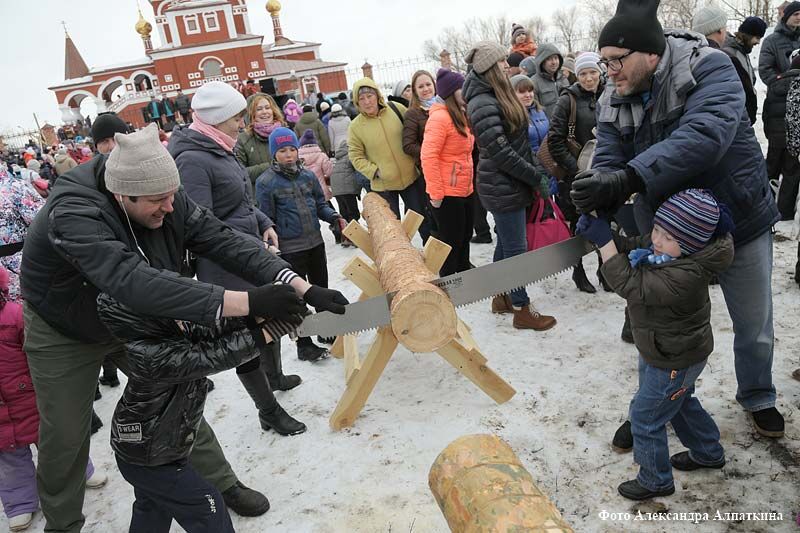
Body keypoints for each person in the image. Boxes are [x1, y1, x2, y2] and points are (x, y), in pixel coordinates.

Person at [20, 124, 349, 531]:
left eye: (172, 196)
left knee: (181, 398)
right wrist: (248, 302)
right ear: (123, 194)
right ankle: (63, 524)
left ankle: (221, 483)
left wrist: (300, 286)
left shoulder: (164, 194)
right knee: (66, 433)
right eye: (158, 201)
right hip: (66, 329)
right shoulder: (73, 211)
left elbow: (225, 240)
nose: (170, 207)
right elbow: (131, 279)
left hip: (135, 316)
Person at [572, 0, 783, 440]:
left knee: (753, 324)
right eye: (605, 61)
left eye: (617, 60)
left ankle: (758, 393)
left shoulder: (711, 67)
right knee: (659, 328)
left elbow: (704, 136)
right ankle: (654, 406)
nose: (609, 71)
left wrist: (629, 177)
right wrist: (598, 188)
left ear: (651, 54)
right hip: (667, 231)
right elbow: (609, 151)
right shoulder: (615, 93)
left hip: (737, 217)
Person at [577, 189, 734, 501]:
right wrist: (606, 234)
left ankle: (655, 479)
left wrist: (605, 245)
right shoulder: (671, 252)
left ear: (690, 244)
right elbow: (635, 245)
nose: (657, 241)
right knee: (680, 403)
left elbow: (632, 285)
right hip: (664, 349)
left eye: (667, 237)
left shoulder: (686, 274)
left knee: (646, 417)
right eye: (657, 230)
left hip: (674, 359)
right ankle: (708, 452)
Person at [170, 80, 306, 435]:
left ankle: (275, 376)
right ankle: (268, 410)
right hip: (223, 263)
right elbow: (201, 224)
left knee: (268, 318)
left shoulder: (220, 146)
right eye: (235, 117)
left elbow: (241, 201)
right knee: (245, 337)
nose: (241, 124)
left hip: (246, 250)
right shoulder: (193, 160)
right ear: (216, 118)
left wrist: (262, 222)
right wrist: (248, 240)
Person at [97, 295, 296, 533]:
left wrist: (255, 316)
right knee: (207, 506)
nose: (181, 318)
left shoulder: (165, 334)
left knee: (153, 507)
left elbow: (209, 330)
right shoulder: (152, 355)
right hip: (151, 456)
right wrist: (269, 332)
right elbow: (215, 355)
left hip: (147, 449)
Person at [0, 267, 108, 533]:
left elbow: (41, 350)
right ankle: (20, 503)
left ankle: (82, 471)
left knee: (59, 443)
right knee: (10, 460)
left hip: (32, 398)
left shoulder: (15, 315)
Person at [462, 41, 556, 331]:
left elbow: (517, 144)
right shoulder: (482, 102)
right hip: (502, 186)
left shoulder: (494, 94)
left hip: (511, 182)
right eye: (501, 62)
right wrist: (534, 177)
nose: (506, 65)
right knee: (516, 249)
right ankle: (521, 308)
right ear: (489, 68)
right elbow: (502, 153)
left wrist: (535, 171)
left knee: (505, 244)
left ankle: (501, 296)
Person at [256, 128, 348, 356]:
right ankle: (304, 344)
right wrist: (272, 246)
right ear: (274, 153)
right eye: (282, 151)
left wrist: (334, 217)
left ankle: (326, 330)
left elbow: (320, 205)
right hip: (290, 249)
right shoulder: (266, 182)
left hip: (315, 243)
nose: (288, 155)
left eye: (291, 149)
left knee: (320, 289)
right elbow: (266, 219)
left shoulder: (308, 176)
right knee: (297, 297)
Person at [548, 52, 608, 294]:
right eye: (583, 73)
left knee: (605, 219)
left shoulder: (609, 94)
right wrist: (576, 169)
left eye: (593, 72)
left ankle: (605, 269)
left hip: (604, 171)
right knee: (576, 223)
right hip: (575, 175)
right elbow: (555, 140)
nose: (588, 78)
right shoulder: (568, 100)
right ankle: (578, 270)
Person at [348, 78, 431, 243]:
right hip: (384, 186)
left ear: (377, 95)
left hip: (411, 179)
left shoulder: (396, 109)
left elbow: (415, 132)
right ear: (357, 102)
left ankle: (432, 254)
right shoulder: (355, 127)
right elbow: (355, 156)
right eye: (361, 99)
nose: (367, 101)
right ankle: (401, 257)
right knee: (393, 230)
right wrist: (375, 171)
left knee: (423, 221)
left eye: (369, 96)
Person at [421, 69, 474, 276]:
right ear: (452, 92)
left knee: (465, 237)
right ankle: (451, 281)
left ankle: (464, 276)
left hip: (465, 188)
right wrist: (436, 194)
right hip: (447, 192)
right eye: (462, 88)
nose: (466, 91)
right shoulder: (439, 118)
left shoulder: (460, 114)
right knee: (452, 242)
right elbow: (429, 156)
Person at [760, 1, 800, 220]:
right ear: (786, 16)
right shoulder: (771, 41)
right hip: (777, 110)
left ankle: (785, 213)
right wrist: (791, 81)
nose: (799, 17)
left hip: (798, 113)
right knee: (774, 161)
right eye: (796, 13)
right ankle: (763, 208)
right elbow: (766, 73)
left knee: (794, 164)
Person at [402, 70, 438, 237]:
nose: (426, 89)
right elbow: (408, 145)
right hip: (430, 171)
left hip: (451, 168)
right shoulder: (413, 113)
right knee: (438, 218)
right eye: (421, 86)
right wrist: (431, 152)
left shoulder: (444, 105)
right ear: (415, 91)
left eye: (428, 84)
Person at [235, 92, 286, 192]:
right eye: (259, 109)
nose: (264, 112)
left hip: (287, 194)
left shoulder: (285, 133)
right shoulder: (243, 139)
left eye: (267, 108)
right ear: (251, 113)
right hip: (260, 196)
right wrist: (271, 166)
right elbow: (239, 173)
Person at [723, 17, 767, 126]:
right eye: (757, 38)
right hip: (736, 116)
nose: (758, 42)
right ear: (747, 35)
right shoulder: (730, 53)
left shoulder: (743, 52)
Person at [330, 141, 361, 247]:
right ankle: (356, 237)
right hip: (347, 189)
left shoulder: (337, 159)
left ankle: (345, 238)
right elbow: (358, 171)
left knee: (344, 214)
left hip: (337, 190)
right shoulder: (350, 156)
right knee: (353, 213)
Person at [531, 43, 569, 118]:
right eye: (549, 59)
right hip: (548, 124)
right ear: (541, 61)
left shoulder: (563, 79)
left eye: (556, 58)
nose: (554, 62)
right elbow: (534, 111)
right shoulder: (534, 82)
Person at [298, 130, 334, 202]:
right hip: (321, 191)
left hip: (305, 193)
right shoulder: (321, 156)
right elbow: (329, 172)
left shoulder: (297, 158)